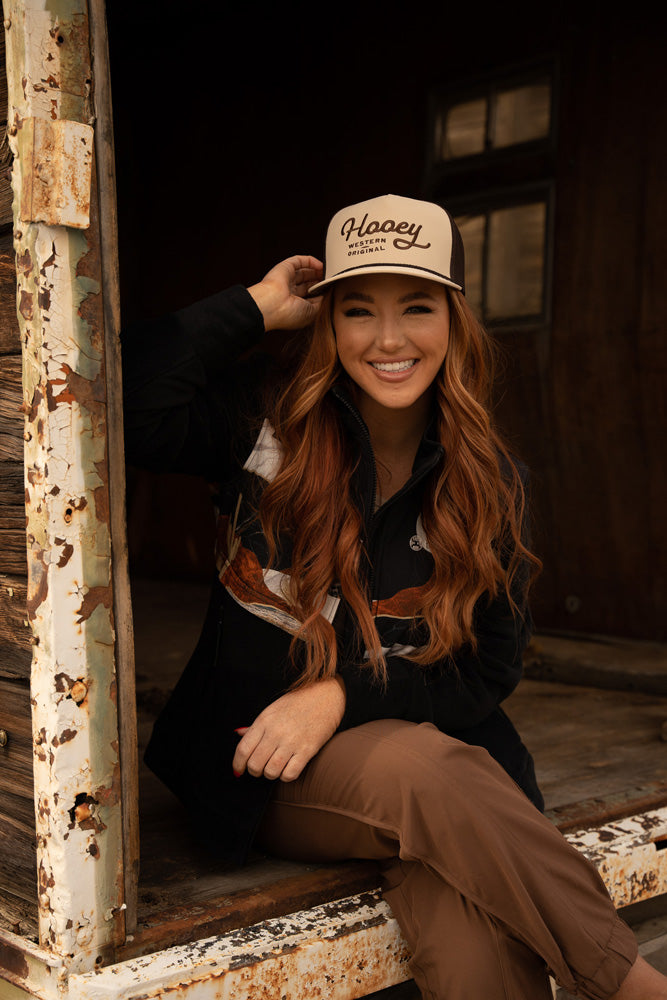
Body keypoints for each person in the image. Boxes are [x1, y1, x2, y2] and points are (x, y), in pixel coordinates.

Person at [122, 194, 666, 999]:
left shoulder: (491, 484)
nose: (387, 339)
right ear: (328, 325)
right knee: (425, 768)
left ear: (452, 320)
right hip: (264, 768)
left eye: (415, 308)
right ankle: (630, 986)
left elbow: (483, 675)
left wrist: (340, 693)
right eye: (357, 311)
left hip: (433, 780)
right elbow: (115, 399)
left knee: (472, 928)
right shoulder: (261, 430)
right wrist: (256, 308)